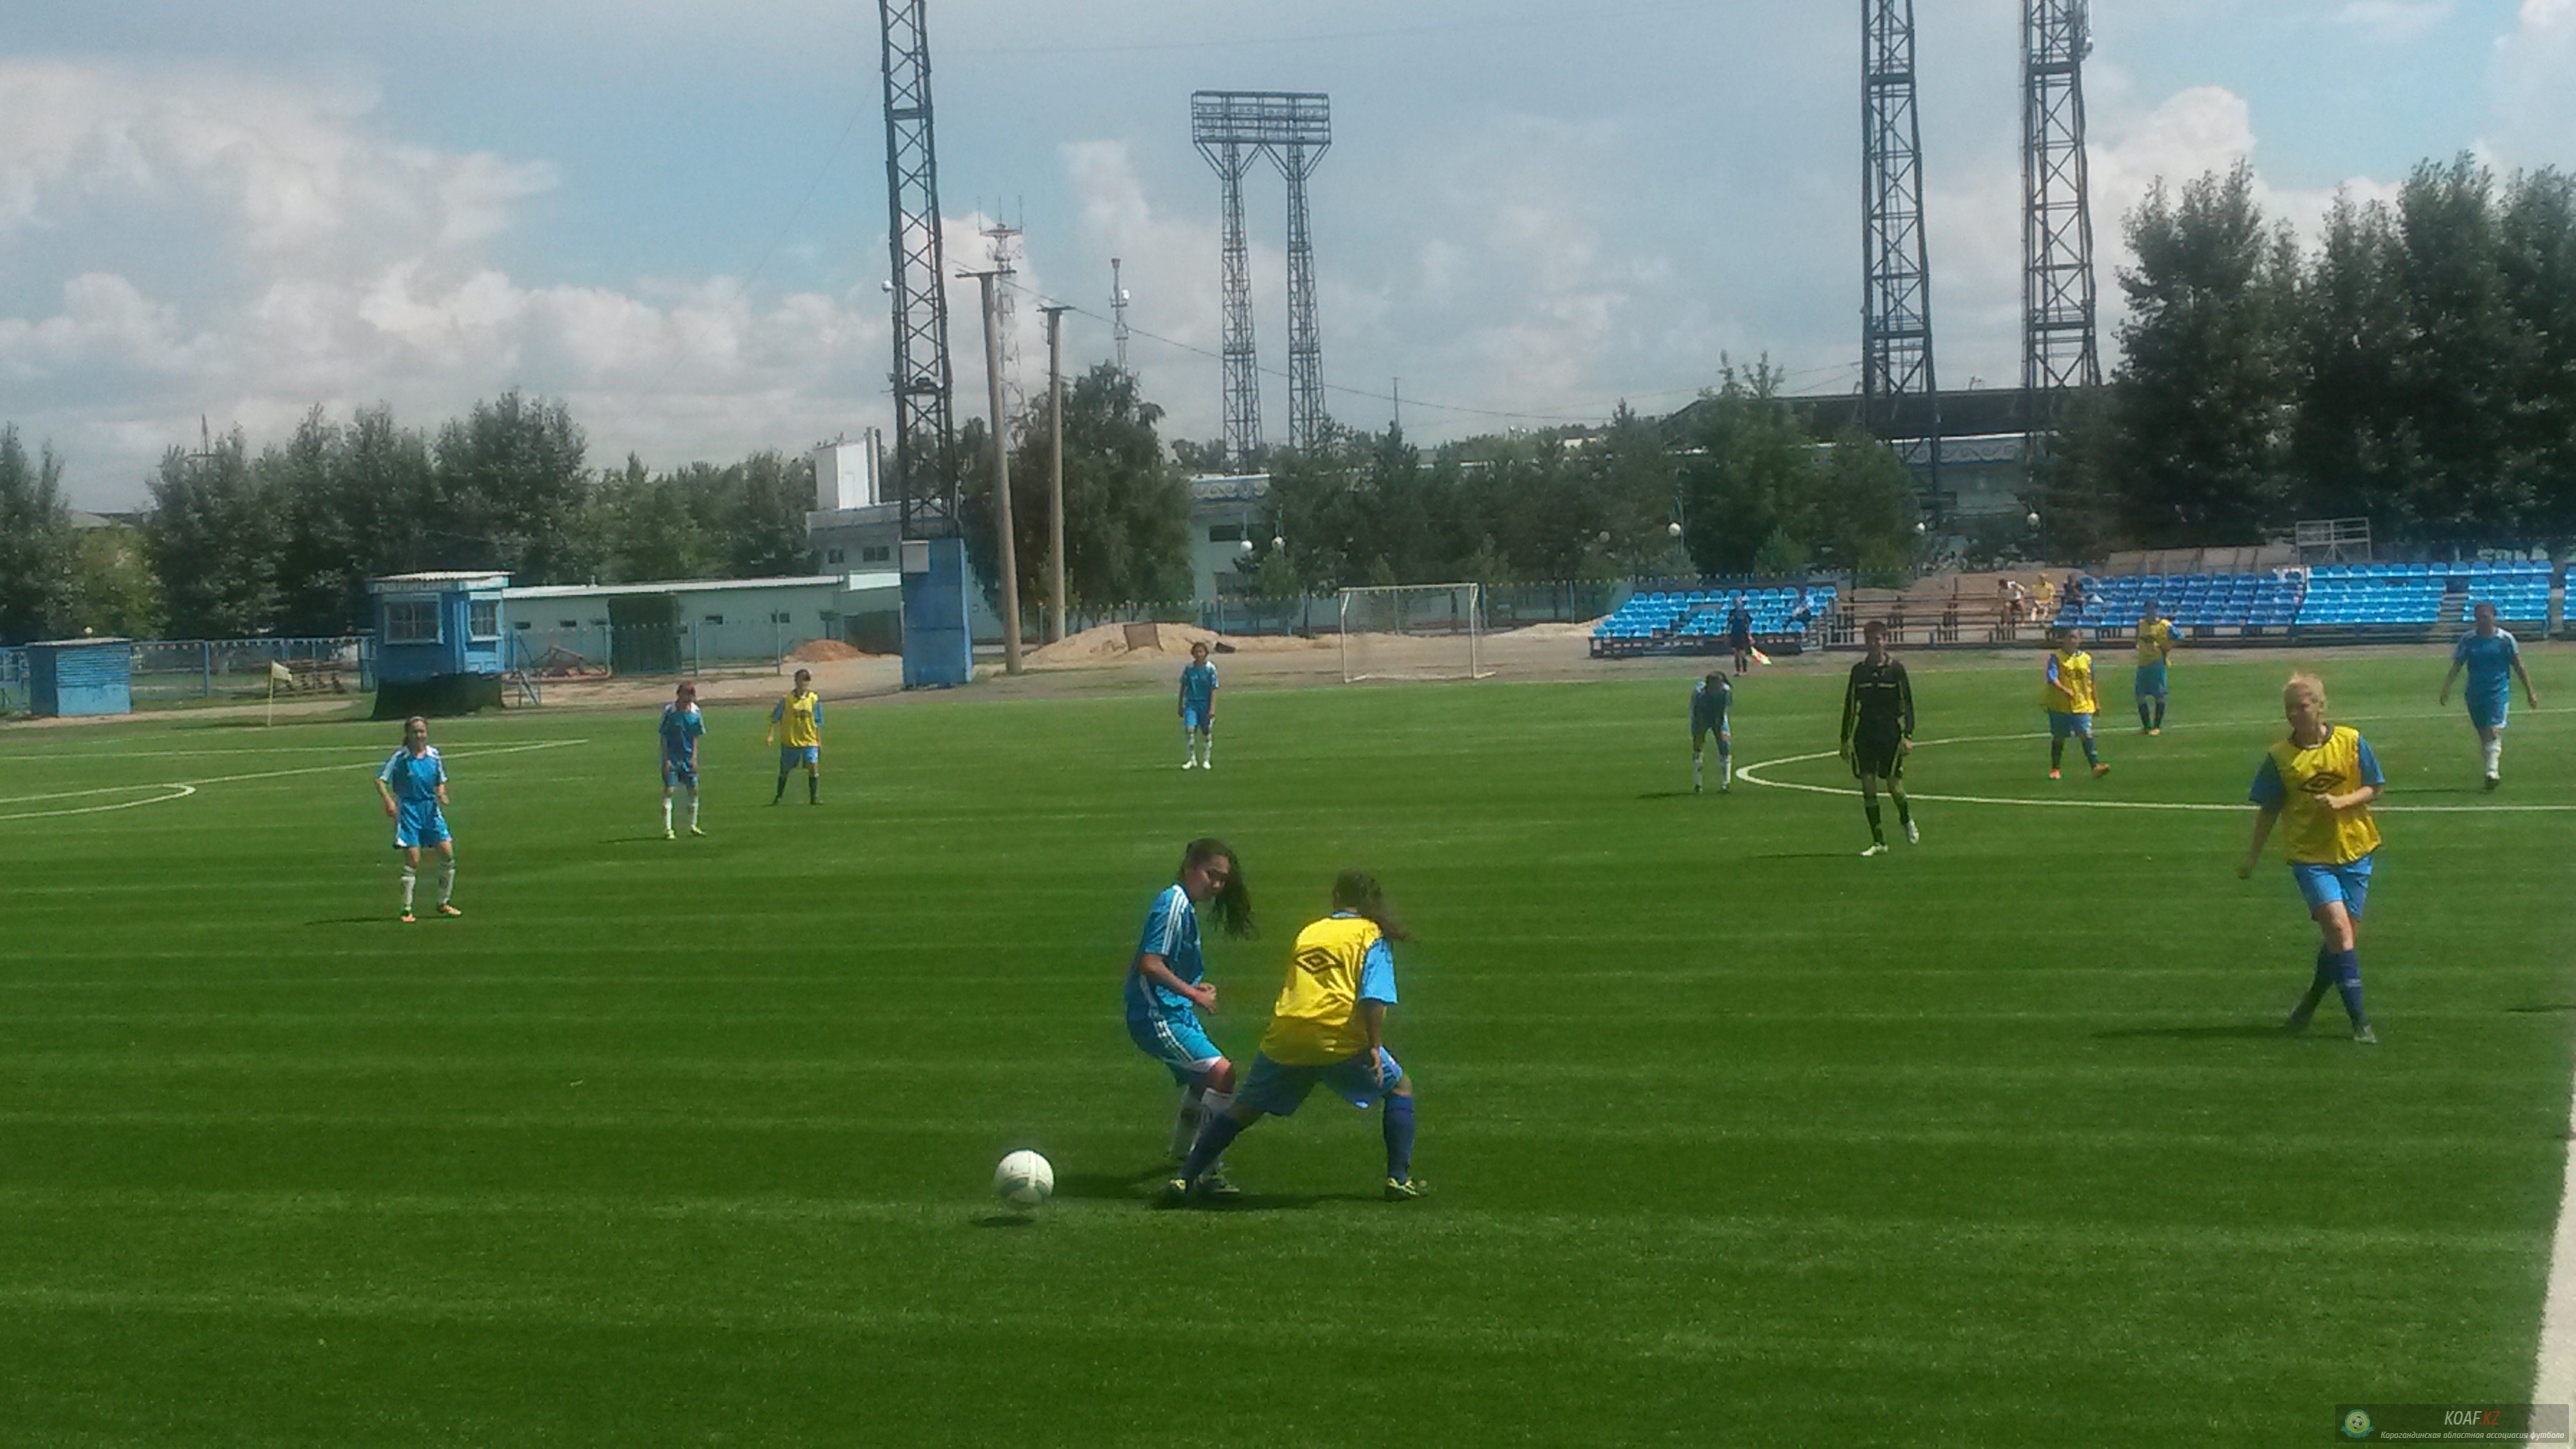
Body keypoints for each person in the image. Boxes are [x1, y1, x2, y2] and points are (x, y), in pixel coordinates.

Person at [1169, 870, 1425, 1204]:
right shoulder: (1371, 934)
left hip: (1286, 1037)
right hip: (1338, 1038)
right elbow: (1374, 999)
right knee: (1400, 1086)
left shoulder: (1311, 931)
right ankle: (1398, 1179)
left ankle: (1185, 1177)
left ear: (1336, 897)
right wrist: (1374, 1045)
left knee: (1243, 1110)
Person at [2237, 673, 2384, 1043]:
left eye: (2301, 706)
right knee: (2338, 929)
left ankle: (2308, 1005)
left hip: (2356, 850)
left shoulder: (2351, 741)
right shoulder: (2279, 757)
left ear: (2321, 706)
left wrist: (2342, 802)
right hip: (2310, 857)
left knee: (2342, 940)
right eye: (2289, 708)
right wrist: (2252, 856)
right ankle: (2360, 1024)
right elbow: (2268, 810)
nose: (2294, 714)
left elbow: (2375, 787)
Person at [1125, 839, 1256, 1194]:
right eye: (1211, 874)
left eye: (1222, 879)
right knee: (1222, 1074)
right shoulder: (1173, 904)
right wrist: (1193, 994)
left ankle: (1183, 1151)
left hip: (1172, 1010)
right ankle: (1208, 1171)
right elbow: (1150, 964)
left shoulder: (1183, 905)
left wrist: (1192, 988)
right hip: (1157, 1015)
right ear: (1189, 867)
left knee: (1204, 1080)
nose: (1217, 885)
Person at [2439, 601, 2540, 791]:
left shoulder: (2505, 639)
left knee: (2493, 731)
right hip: (2475, 693)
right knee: (2484, 733)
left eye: (2486, 616)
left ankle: (2492, 772)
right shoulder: (2468, 640)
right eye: (2479, 617)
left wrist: (2530, 692)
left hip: (2498, 691)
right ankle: (2489, 768)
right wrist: (2446, 688)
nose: (2482, 620)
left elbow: (2518, 666)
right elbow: (2457, 665)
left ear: (2494, 617)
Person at [1840, 619, 1917, 856]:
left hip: (1889, 732)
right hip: (1865, 732)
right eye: (1870, 640)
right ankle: (1879, 841)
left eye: (1877, 640)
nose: (1874, 644)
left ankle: (1906, 818)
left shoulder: (1896, 670)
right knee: (1868, 785)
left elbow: (1908, 704)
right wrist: (1844, 739)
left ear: (1885, 641)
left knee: (1894, 786)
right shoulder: (1859, 672)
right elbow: (1850, 705)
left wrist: (1907, 734)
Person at [374, 715, 459, 923]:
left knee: (448, 854)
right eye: (415, 732)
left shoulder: (434, 755)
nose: (419, 735)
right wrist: (389, 802)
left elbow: (440, 779)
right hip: (409, 810)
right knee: (413, 860)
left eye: (421, 731)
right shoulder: (401, 757)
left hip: (430, 810)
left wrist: (441, 793)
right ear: (408, 734)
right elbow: (380, 779)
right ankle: (406, 909)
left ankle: (443, 902)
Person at [2042, 625, 2109, 781]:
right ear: (2063, 639)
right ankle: (2055, 768)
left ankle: (2095, 766)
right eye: (2069, 637)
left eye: (2075, 638)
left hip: (2082, 704)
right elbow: (2052, 678)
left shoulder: (2087, 658)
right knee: (2059, 737)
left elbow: (2091, 682)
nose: (2072, 641)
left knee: (2085, 733)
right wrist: (2065, 690)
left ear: (2080, 640)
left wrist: (2096, 702)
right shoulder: (2057, 657)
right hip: (2060, 705)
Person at [767, 668, 823, 805]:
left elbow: (817, 721)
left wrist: (818, 740)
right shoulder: (787, 699)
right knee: (785, 770)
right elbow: (775, 718)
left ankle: (814, 797)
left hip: (809, 740)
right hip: (791, 741)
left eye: (805, 681)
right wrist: (770, 735)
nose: (802, 684)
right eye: (800, 681)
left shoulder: (813, 699)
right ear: (796, 681)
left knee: (813, 766)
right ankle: (779, 796)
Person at [659, 682, 706, 839]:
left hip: (687, 758)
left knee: (694, 789)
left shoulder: (695, 712)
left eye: (691, 694)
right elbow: (664, 736)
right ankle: (668, 829)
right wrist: (666, 759)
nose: (689, 698)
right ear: (679, 694)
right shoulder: (670, 712)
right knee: (670, 790)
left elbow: (695, 736)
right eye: (687, 694)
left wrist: (694, 758)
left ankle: (693, 825)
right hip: (673, 758)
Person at [2134, 600, 2178, 736]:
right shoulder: (2141, 624)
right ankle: (2146, 726)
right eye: (2148, 609)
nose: (2150, 612)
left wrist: (2167, 647)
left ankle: (2156, 726)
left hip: (2157, 663)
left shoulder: (2165, 625)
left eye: (2153, 609)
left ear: (2157, 610)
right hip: (2142, 663)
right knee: (2140, 695)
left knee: (2159, 695)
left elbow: (2178, 636)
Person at [1178, 640, 1219, 769]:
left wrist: (1212, 708)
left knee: (1206, 731)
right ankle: (1192, 759)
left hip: (1205, 704)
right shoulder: (1189, 669)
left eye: (1201, 652)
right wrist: (1180, 704)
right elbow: (1183, 686)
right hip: (1191, 703)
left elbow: (1213, 688)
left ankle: (1206, 759)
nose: (1199, 654)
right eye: (1196, 652)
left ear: (1205, 653)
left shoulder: (1210, 669)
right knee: (1190, 730)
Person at [1691, 670, 1732, 795]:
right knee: (1698, 745)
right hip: (1701, 716)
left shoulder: (1726, 691)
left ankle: (1726, 783)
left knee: (1724, 744)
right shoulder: (1700, 694)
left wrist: (1720, 730)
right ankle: (1698, 783)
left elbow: (1722, 711)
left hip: (1718, 715)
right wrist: (1700, 731)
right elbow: (1698, 713)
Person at [1727, 595, 1755, 676]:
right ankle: (1738, 670)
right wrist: (1727, 633)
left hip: (1742, 634)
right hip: (1734, 634)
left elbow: (1748, 624)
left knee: (1742, 653)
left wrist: (1749, 635)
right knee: (1736, 654)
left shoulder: (1745, 613)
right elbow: (1729, 623)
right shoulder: (1732, 612)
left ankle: (1744, 670)